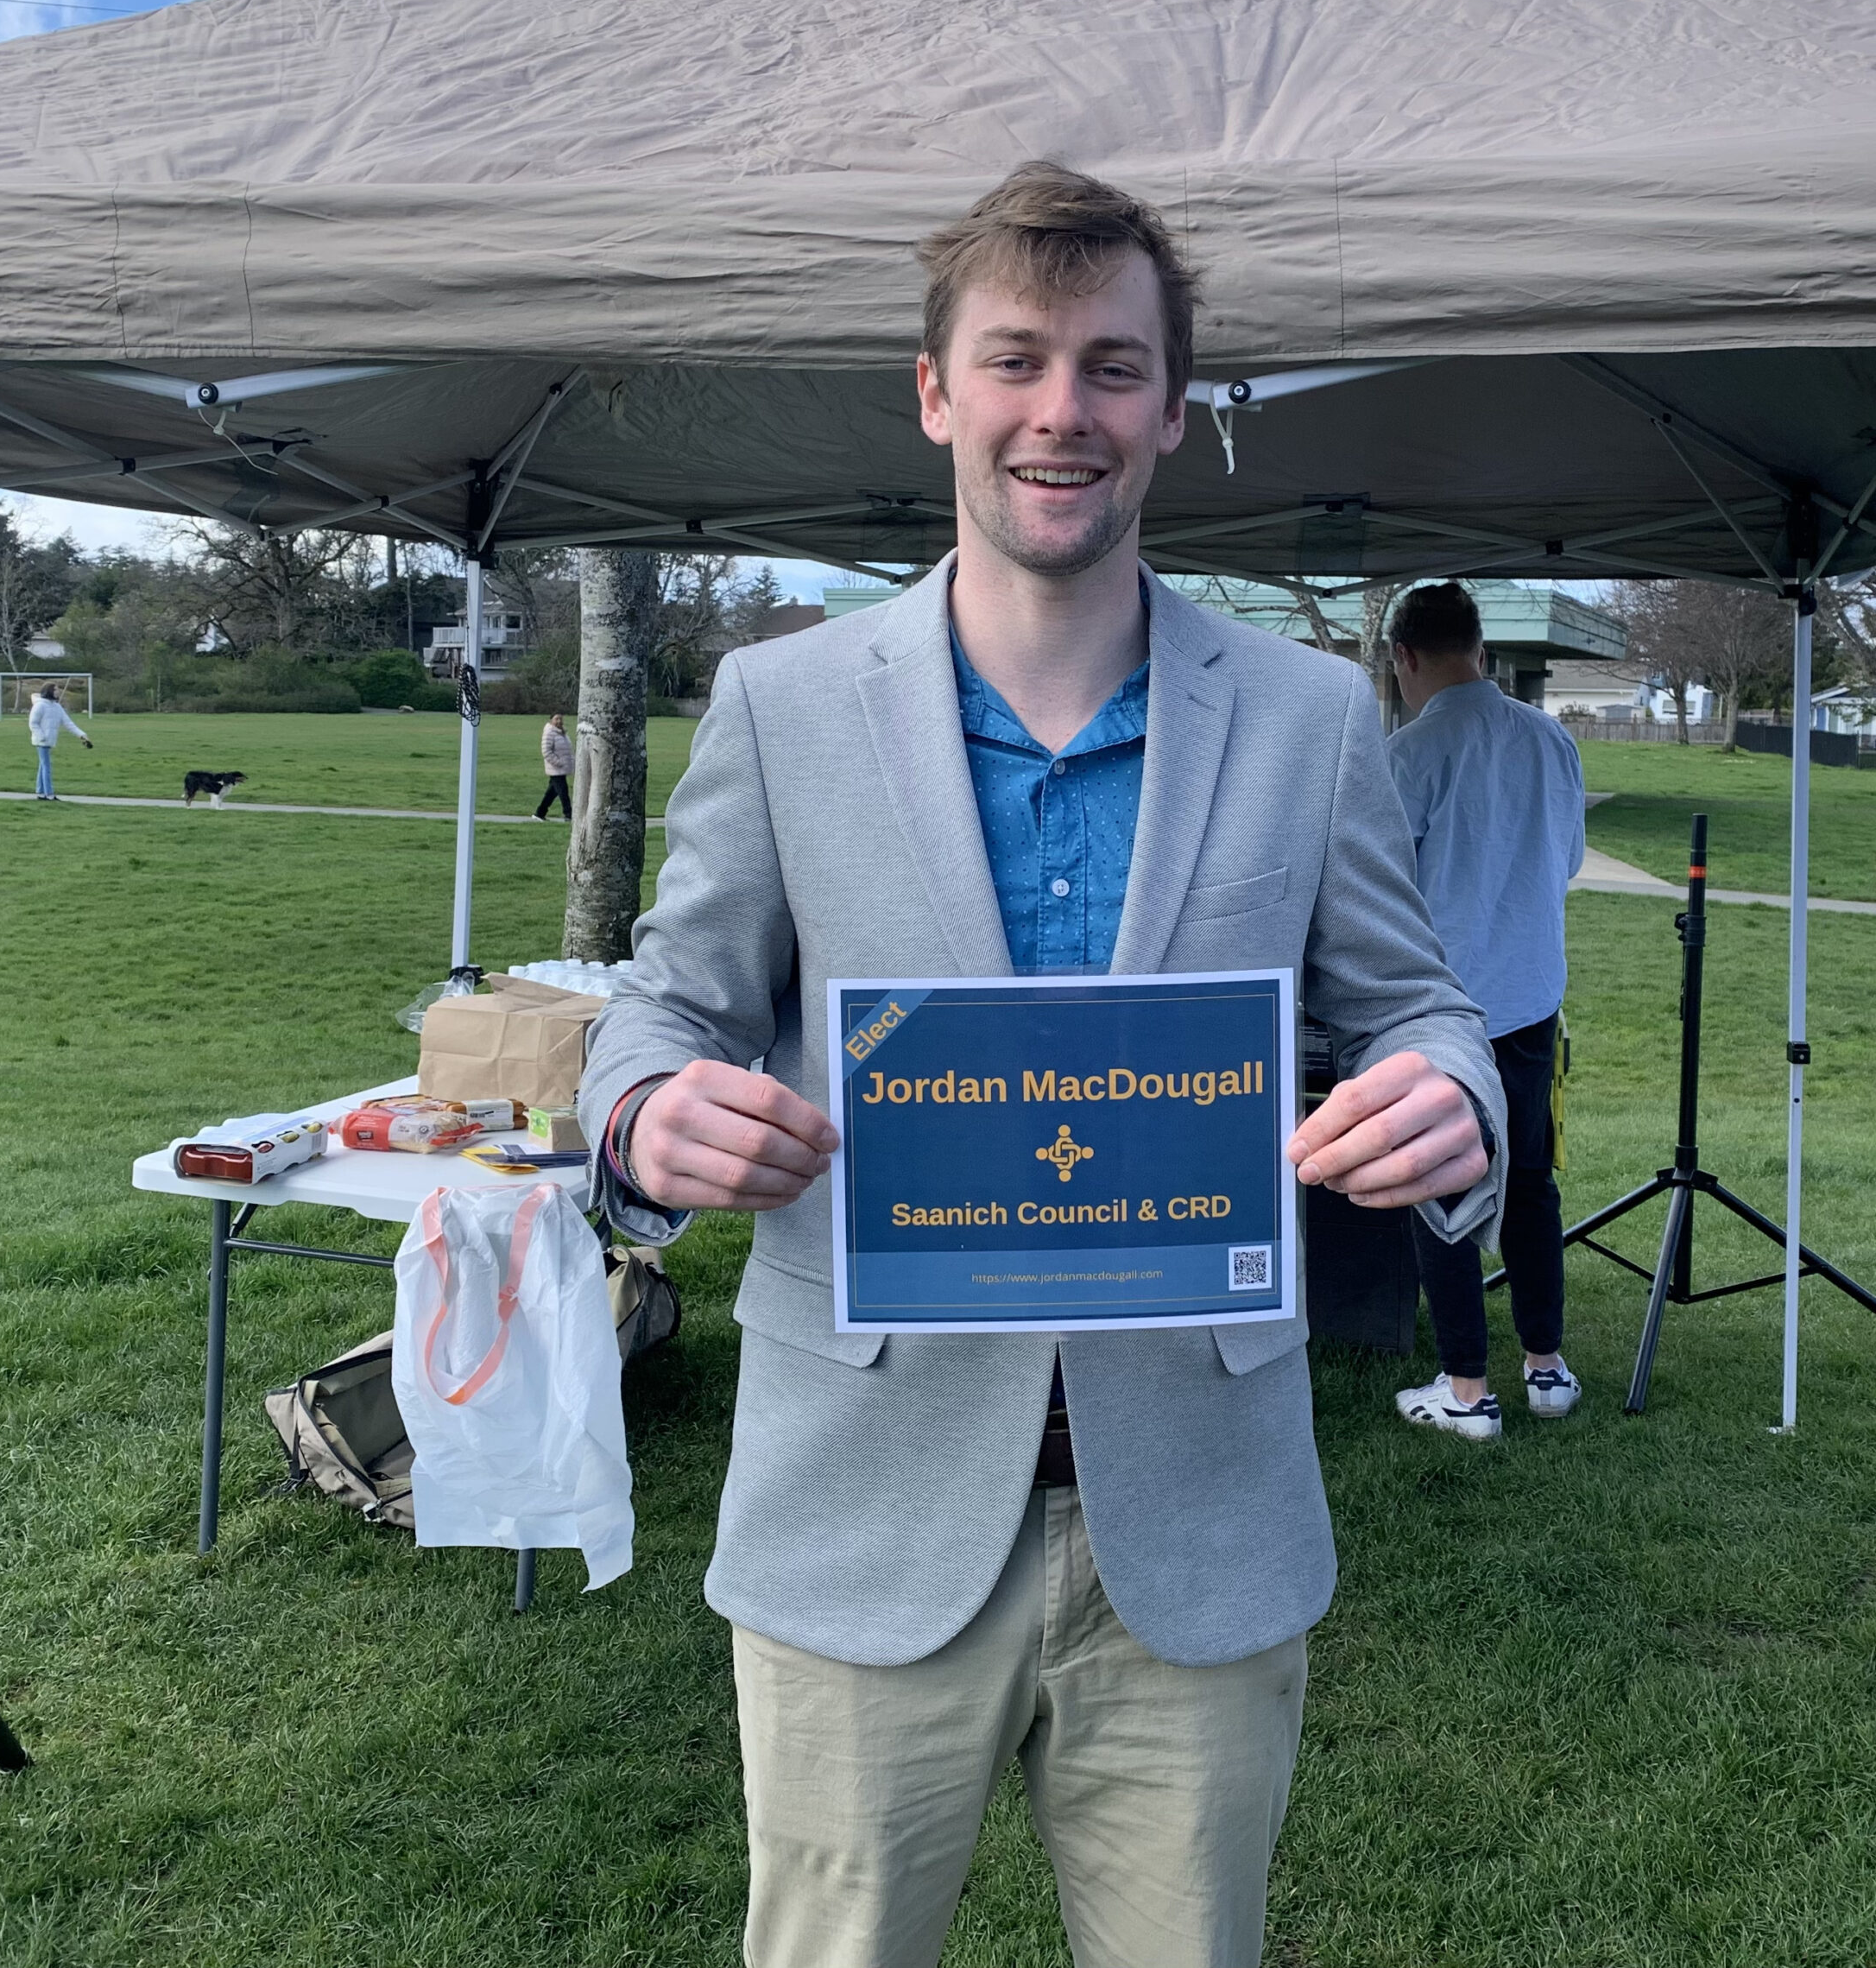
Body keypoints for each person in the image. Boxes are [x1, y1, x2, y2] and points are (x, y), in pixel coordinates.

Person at [579, 162, 1506, 1968]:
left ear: (1171, 409)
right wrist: (641, 1112)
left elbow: (1417, 1006)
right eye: (1015, 360)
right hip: (862, 1502)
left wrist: (1449, 1099)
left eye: (1110, 366)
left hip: (1199, 1518)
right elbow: (662, 1007)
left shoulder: (1311, 714)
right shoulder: (781, 703)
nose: (1060, 409)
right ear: (938, 394)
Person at [1381, 585, 1587, 1440]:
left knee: (1440, 1185)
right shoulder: (1550, 738)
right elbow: (1567, 858)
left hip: (1441, 1009)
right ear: (1479, 646)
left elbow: (1381, 888)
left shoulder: (1410, 752)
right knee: (1531, 1181)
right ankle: (1546, 1367)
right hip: (1531, 997)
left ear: (1404, 657)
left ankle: (1467, 1390)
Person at [27, 683, 92, 800]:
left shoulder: (57, 707)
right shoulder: (40, 705)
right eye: (55, 690)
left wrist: (82, 735)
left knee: (43, 766)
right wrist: (42, 737)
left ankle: (41, 793)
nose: (58, 692)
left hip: (49, 741)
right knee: (46, 766)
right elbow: (33, 723)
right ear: (49, 691)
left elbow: (68, 723)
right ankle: (49, 794)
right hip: (41, 741)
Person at [534, 711, 573, 821]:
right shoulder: (549, 733)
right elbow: (546, 751)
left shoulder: (562, 733)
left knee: (552, 792)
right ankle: (569, 815)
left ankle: (539, 813)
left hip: (562, 768)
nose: (559, 721)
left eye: (561, 719)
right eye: (556, 719)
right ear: (551, 720)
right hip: (556, 769)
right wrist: (558, 762)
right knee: (563, 792)